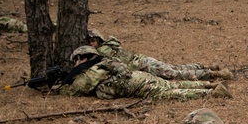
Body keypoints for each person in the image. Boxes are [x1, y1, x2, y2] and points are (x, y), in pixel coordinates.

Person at [57, 46, 232, 100]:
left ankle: (211, 91)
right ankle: (211, 84)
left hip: (137, 83)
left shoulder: (92, 72)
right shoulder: (104, 62)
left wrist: (58, 87)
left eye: (77, 60)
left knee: (170, 92)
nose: (75, 64)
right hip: (139, 76)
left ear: (83, 58)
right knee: (173, 82)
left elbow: (77, 90)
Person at [87, 30, 232, 82]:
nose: (91, 44)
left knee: (175, 74)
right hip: (143, 61)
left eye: (93, 41)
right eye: (89, 42)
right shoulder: (111, 46)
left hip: (144, 65)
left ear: (99, 40)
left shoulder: (103, 51)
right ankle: (205, 67)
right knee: (175, 68)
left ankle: (213, 74)